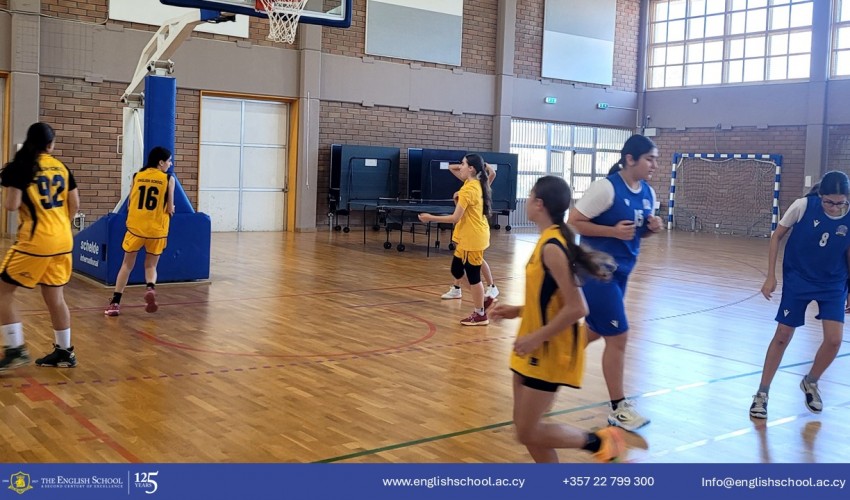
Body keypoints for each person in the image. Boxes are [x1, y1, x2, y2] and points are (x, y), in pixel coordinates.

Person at [491, 175, 625, 462]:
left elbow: (578, 308)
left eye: (530, 196)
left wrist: (535, 338)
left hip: (549, 351)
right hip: (531, 345)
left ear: (539, 204)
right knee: (526, 431)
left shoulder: (553, 246)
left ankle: (599, 442)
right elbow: (550, 298)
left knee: (528, 431)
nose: (527, 201)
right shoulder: (547, 241)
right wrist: (518, 310)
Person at [567, 134, 662, 431]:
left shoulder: (648, 193)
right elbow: (574, 221)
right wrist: (611, 231)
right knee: (618, 336)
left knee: (596, 329)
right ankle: (619, 408)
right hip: (596, 271)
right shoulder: (606, 188)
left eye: (655, 159)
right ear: (630, 159)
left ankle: (549, 356)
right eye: (649, 159)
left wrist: (651, 229)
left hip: (622, 272)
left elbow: (636, 233)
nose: (654, 165)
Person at [749, 171, 850, 419]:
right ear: (821, 195)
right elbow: (776, 236)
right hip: (799, 279)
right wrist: (770, 276)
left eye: (840, 203)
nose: (835, 208)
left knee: (834, 340)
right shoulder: (803, 206)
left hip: (833, 282)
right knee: (783, 335)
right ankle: (762, 393)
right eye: (829, 202)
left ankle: (811, 381)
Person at [0, 122, 79, 371]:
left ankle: (15, 349)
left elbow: (11, 206)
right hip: (63, 240)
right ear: (50, 145)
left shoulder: (22, 167)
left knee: (2, 293)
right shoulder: (62, 167)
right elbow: (75, 204)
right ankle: (65, 352)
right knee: (55, 297)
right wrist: (60, 227)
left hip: (36, 241)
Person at [419, 153, 492, 326]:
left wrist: (430, 218)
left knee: (473, 276)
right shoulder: (474, 183)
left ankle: (480, 314)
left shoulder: (470, 189)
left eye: (463, 164)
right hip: (469, 235)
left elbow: (455, 218)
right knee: (456, 270)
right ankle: (482, 298)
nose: (460, 167)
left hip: (472, 238)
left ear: (471, 168)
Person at [105, 147, 175, 316]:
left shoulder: (137, 176)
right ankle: (150, 287)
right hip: (157, 230)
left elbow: (130, 204)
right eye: (169, 161)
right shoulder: (168, 179)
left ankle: (115, 303)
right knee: (150, 265)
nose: (170, 164)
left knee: (126, 265)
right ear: (161, 162)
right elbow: (169, 208)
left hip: (136, 228)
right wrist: (171, 208)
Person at [441, 162, 499, 301]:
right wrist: (464, 165)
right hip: (465, 228)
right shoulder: (468, 182)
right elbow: (451, 168)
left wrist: (483, 164)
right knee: (461, 259)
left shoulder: (481, 186)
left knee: (476, 260)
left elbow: (493, 173)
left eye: (465, 164)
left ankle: (491, 287)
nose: (461, 167)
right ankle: (457, 288)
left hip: (475, 230)